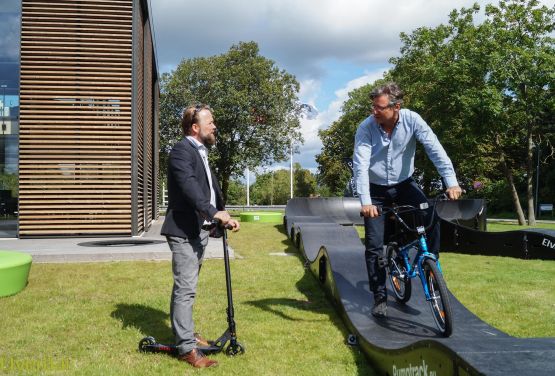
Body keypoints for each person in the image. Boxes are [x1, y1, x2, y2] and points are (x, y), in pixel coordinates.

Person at [353, 83, 462, 319]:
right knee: (373, 245)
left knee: (431, 217)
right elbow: (360, 166)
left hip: (404, 184)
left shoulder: (413, 120)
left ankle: (430, 264)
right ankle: (380, 296)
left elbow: (435, 149)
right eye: (373, 107)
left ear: (396, 107)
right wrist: (365, 201)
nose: (374, 112)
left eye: (379, 108)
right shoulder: (366, 128)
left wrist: (451, 182)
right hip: (375, 190)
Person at [161, 104, 240, 368]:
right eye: (210, 122)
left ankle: (186, 333)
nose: (214, 126)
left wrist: (222, 212)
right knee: (186, 290)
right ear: (195, 127)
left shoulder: (201, 152)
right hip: (183, 231)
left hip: (199, 231)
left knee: (186, 287)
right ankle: (186, 348)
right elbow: (190, 189)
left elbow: (208, 189)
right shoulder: (181, 151)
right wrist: (213, 212)